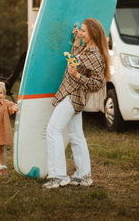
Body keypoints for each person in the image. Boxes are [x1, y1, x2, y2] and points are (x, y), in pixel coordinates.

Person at [43, 18, 110, 189]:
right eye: (81, 29)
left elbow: (98, 83)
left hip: (73, 96)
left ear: (93, 33)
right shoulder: (87, 49)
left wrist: (78, 76)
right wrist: (78, 40)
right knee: (76, 135)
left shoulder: (96, 55)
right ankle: (83, 176)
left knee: (53, 130)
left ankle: (58, 176)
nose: (81, 32)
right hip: (71, 94)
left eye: (84, 31)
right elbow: (75, 59)